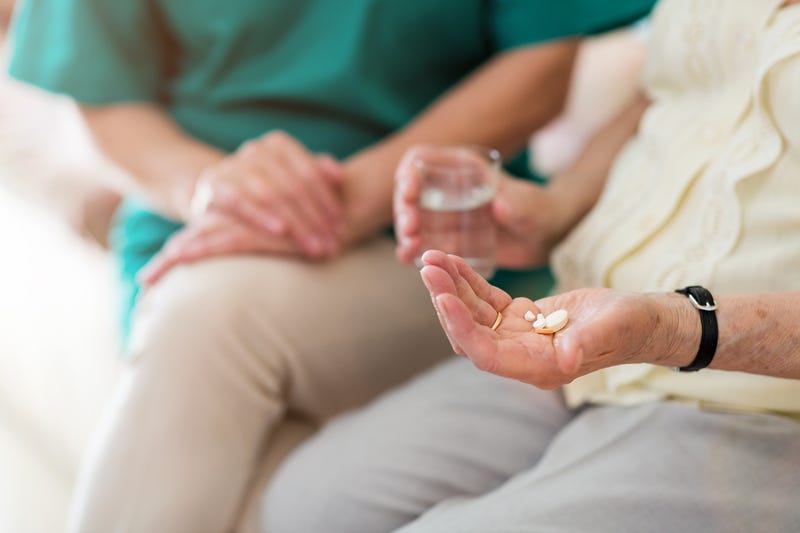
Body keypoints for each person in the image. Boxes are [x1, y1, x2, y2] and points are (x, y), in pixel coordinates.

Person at [7, 1, 656, 531]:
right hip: (200, 228)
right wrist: (212, 187)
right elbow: (101, 90)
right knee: (251, 473)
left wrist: (353, 198)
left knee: (210, 319)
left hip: (428, 239)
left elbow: (540, 64)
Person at [261, 0, 800, 531]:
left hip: (752, 397)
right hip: (593, 346)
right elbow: (670, 90)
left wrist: (676, 326)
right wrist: (556, 207)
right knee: (307, 506)